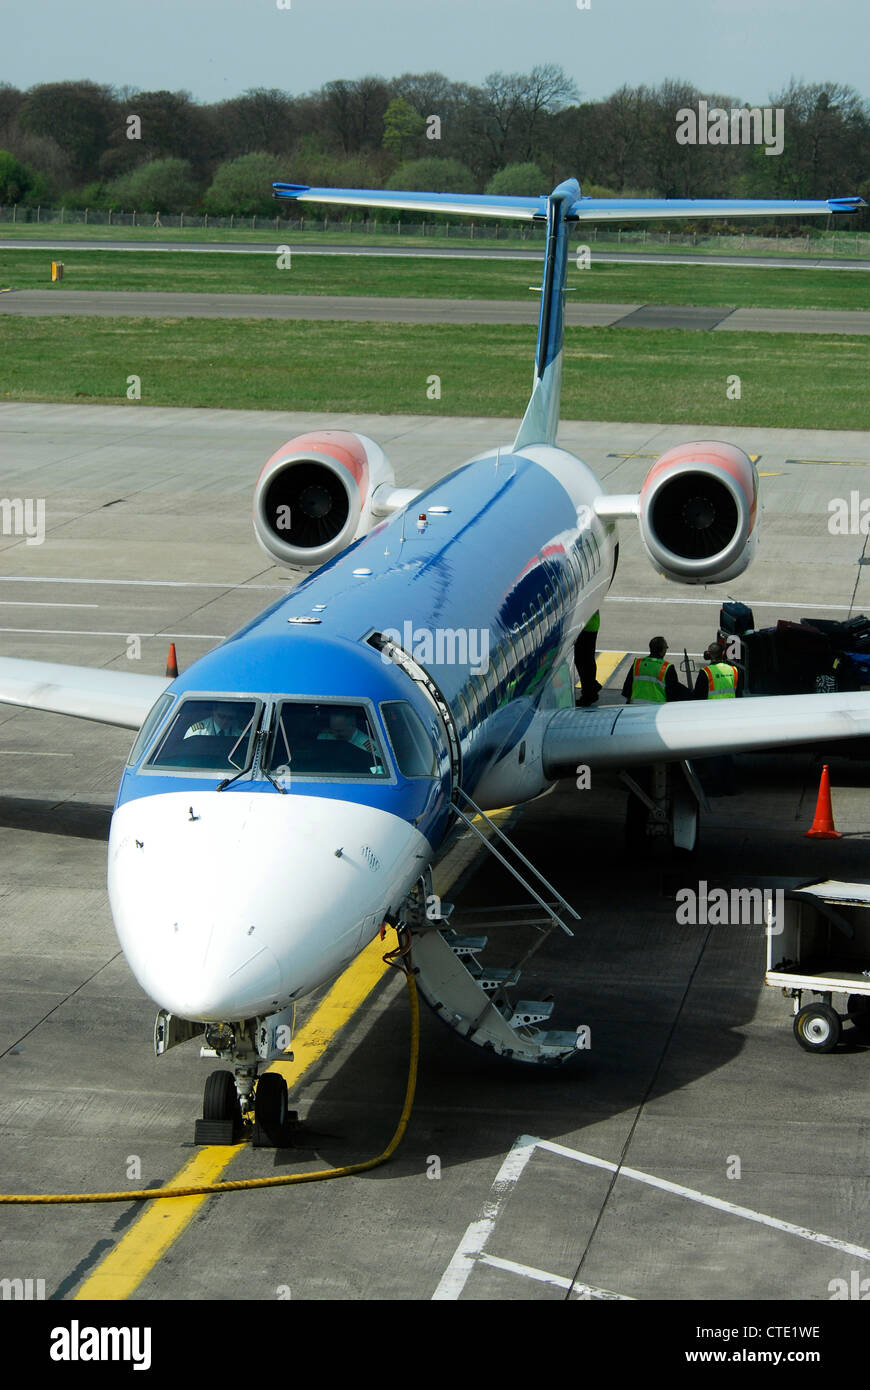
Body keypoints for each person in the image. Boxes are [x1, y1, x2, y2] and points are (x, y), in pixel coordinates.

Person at [622, 636, 687, 704]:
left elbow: (627, 690)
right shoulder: (667, 668)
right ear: (662, 650)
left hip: (636, 707)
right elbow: (674, 694)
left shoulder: (638, 663)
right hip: (657, 709)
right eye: (666, 648)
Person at [574, 611, 602, 706]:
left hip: (587, 626)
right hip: (590, 625)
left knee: (582, 662)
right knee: (587, 660)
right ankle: (591, 688)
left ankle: (589, 692)